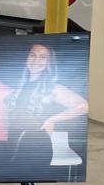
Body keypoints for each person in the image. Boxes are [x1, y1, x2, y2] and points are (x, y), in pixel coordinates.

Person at [8, 42, 88, 173]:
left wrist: (52, 119)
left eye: (43, 57)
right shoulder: (19, 85)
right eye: (32, 55)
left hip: (34, 146)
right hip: (14, 141)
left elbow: (83, 106)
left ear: (49, 63)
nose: (36, 60)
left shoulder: (52, 88)